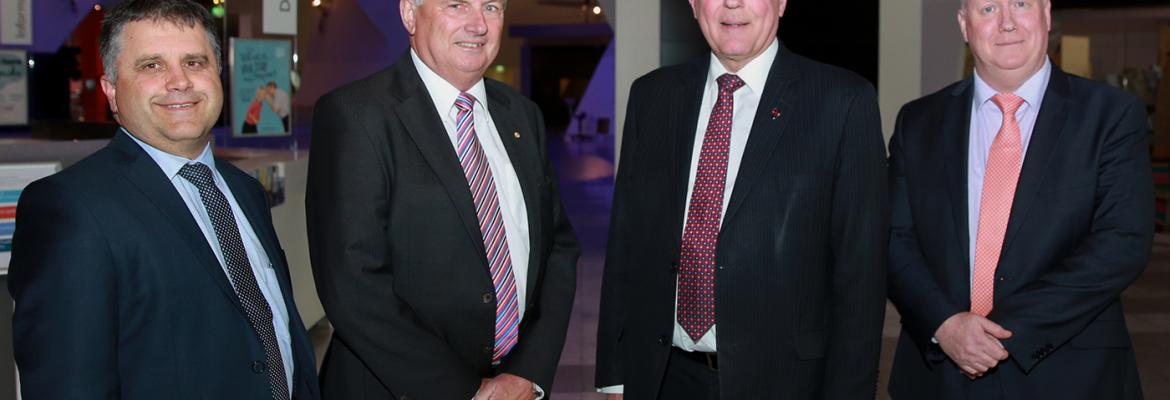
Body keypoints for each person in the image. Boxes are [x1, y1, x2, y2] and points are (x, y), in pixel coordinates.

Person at [7, 0, 320, 399]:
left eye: (194, 62)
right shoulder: (69, 209)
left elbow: (276, 330)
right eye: (151, 65)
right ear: (111, 91)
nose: (180, 81)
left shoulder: (245, 192)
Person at [594, 0, 888, 398]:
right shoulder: (652, 95)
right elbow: (626, 243)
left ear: (782, 3)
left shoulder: (843, 101)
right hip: (663, 377)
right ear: (694, 6)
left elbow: (861, 276)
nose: (732, 3)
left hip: (787, 383)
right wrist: (615, 375)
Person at [306, 0, 580, 398]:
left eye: (491, 7)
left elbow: (558, 249)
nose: (478, 25)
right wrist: (465, 391)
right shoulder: (356, 115)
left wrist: (528, 372)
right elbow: (353, 285)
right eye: (457, 4)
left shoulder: (522, 115)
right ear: (409, 14)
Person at [886, 0, 1153, 398]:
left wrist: (999, 336)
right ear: (964, 25)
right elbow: (892, 238)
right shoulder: (918, 121)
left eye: (1021, 4)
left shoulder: (1111, 116)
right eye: (988, 9)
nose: (1007, 23)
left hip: (1069, 374)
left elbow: (1122, 241)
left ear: (1046, 15)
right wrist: (945, 324)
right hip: (939, 373)